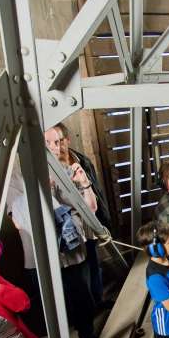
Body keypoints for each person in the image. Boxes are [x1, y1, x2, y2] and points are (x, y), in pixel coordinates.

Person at [10, 167, 97, 338]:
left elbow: (90, 208)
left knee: (83, 299)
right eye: (48, 143)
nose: (54, 147)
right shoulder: (15, 177)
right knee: (55, 309)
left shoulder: (62, 172)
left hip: (72, 252)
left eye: (56, 142)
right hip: (42, 259)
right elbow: (19, 222)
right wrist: (43, 193)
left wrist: (83, 184)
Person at [49, 123, 113, 309]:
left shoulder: (81, 161)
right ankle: (89, 309)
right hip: (72, 231)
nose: (57, 146)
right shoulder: (54, 171)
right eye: (52, 142)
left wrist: (101, 218)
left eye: (60, 141)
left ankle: (98, 300)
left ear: (67, 140)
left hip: (89, 224)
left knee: (94, 265)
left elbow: (96, 191)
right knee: (80, 275)